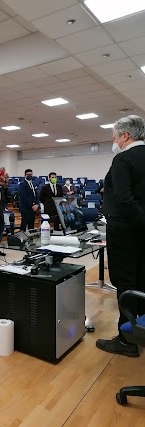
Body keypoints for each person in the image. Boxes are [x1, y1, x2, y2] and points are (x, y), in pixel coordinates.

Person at [96, 115, 145, 358]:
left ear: (125, 135)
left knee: (125, 283)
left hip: (125, 232)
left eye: (114, 137)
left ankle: (126, 341)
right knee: (142, 280)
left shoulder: (123, 159)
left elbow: (125, 200)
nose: (113, 141)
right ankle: (140, 331)